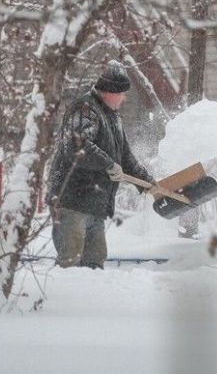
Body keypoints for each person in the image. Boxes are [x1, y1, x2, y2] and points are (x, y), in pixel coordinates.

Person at [46, 60, 165, 269]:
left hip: (95, 203)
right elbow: (76, 145)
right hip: (71, 200)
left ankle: (91, 300)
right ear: (110, 91)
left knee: (95, 261)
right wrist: (108, 164)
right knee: (70, 262)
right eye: (122, 94)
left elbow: (125, 158)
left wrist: (148, 183)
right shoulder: (84, 108)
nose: (124, 98)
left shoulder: (113, 118)